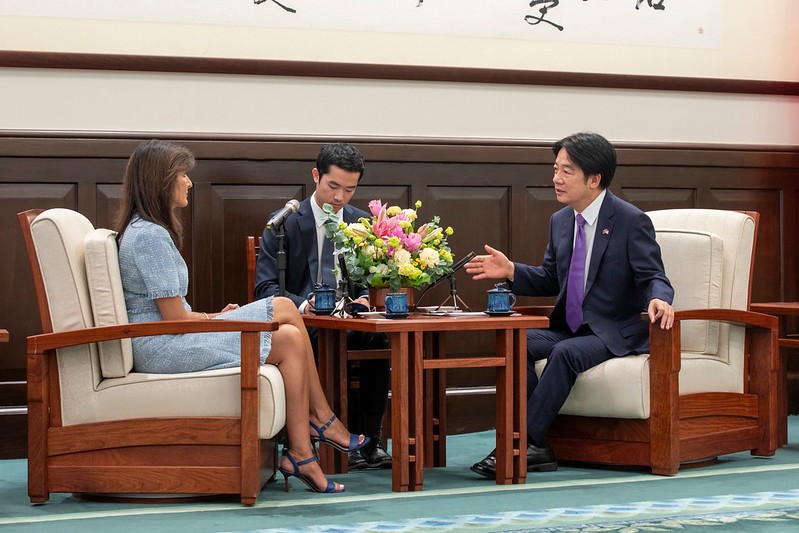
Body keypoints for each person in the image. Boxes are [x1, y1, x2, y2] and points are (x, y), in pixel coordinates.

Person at [116, 139, 368, 494]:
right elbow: (171, 317)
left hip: (172, 335)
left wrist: (214, 317)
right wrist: (214, 321)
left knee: (292, 338)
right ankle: (323, 420)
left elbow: (174, 312)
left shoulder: (147, 230)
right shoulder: (149, 236)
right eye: (183, 175)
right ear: (161, 181)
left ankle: (300, 453)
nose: (189, 182)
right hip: (161, 347)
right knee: (282, 307)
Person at [465, 132, 675, 479]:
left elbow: (654, 275)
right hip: (570, 326)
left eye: (567, 171)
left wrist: (659, 298)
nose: (556, 179)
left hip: (614, 328)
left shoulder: (630, 220)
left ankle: (522, 444)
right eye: (555, 169)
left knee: (565, 354)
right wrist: (512, 270)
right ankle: (539, 448)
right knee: (517, 343)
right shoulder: (561, 221)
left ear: (594, 179)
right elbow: (551, 279)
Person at [254, 143, 392, 470]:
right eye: (333, 187)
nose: (340, 198)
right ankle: (315, 436)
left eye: (349, 189)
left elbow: (374, 279)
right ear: (316, 176)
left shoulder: (363, 223)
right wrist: (302, 306)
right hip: (307, 323)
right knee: (311, 340)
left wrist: (365, 298)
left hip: (353, 321)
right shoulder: (284, 225)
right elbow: (265, 288)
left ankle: (370, 440)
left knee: (381, 340)